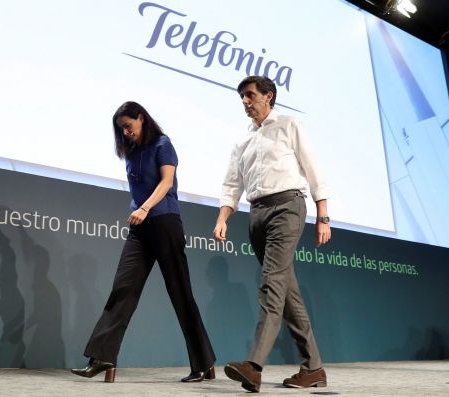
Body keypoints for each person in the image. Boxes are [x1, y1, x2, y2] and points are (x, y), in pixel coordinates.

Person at [71, 101, 216, 383]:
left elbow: (166, 182)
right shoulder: (131, 152)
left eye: (128, 126)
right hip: (141, 228)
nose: (125, 132)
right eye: (121, 129)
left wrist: (145, 207)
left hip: (164, 222)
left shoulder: (163, 144)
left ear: (141, 118)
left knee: (180, 295)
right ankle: (103, 357)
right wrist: (140, 211)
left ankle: (203, 363)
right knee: (122, 289)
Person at [213, 76, 331, 392]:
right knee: (288, 294)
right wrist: (224, 216)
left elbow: (312, 168)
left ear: (268, 96)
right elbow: (232, 184)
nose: (245, 102)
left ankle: (253, 366)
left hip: (287, 207)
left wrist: (323, 215)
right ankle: (314, 368)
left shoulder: (289, 125)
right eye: (241, 97)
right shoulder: (242, 141)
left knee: (271, 286)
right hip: (257, 215)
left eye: (250, 95)